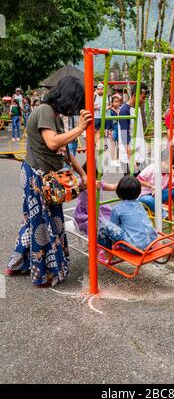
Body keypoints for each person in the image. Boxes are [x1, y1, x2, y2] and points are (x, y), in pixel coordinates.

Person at [5, 76, 92, 288]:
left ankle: (15, 263)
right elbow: (53, 143)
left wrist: (83, 174)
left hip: (47, 177)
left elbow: (65, 152)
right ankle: (41, 274)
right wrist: (80, 128)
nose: (76, 108)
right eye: (76, 102)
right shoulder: (45, 110)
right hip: (37, 176)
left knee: (40, 221)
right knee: (42, 224)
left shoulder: (55, 115)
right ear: (68, 97)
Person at [98, 176, 157, 253]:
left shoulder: (117, 208)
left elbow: (113, 227)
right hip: (150, 244)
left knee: (104, 224)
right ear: (138, 192)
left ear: (119, 192)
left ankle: (105, 251)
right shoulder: (140, 204)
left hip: (134, 247)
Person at [137, 151, 174, 223]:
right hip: (145, 195)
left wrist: (173, 172)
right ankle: (167, 216)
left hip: (159, 195)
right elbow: (137, 181)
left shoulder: (169, 173)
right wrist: (151, 186)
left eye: (168, 163)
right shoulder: (152, 168)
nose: (165, 165)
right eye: (164, 162)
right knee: (149, 200)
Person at [74, 162, 117, 234]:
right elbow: (77, 187)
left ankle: (111, 238)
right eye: (95, 177)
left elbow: (113, 187)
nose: (96, 179)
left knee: (112, 218)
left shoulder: (99, 183)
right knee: (93, 224)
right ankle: (95, 241)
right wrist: (92, 184)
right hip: (85, 213)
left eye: (96, 177)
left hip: (100, 209)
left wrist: (127, 182)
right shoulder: (81, 182)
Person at [118, 83, 148, 175]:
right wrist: (131, 159)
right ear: (135, 96)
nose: (144, 100)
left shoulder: (137, 109)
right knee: (130, 186)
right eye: (143, 98)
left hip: (138, 155)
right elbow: (124, 136)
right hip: (129, 157)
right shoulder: (124, 111)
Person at [107, 95, 121, 165]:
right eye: (115, 102)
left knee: (119, 144)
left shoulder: (120, 110)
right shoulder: (110, 111)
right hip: (113, 128)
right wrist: (109, 130)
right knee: (113, 144)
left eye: (118, 102)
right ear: (112, 103)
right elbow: (109, 120)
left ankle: (118, 159)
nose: (117, 103)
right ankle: (113, 160)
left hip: (119, 128)